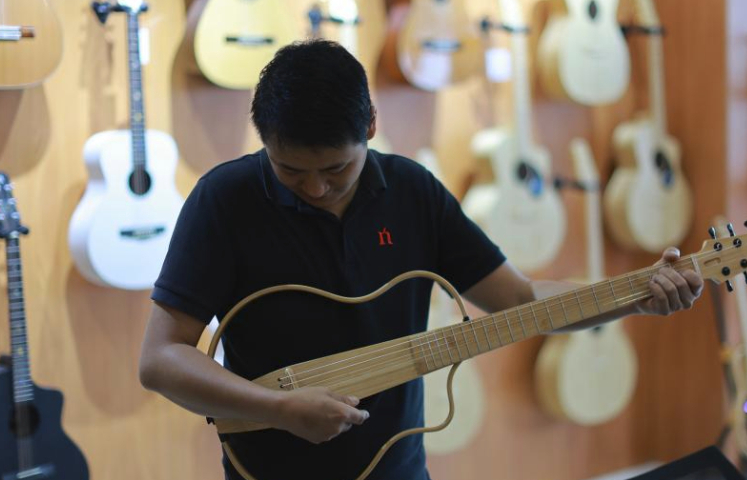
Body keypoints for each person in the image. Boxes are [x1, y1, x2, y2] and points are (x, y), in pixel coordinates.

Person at [138, 39, 703, 480]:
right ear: (263, 140)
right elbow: (162, 358)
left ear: (371, 128)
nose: (314, 188)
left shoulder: (412, 192)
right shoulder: (225, 199)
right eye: (291, 170)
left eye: (335, 169)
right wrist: (279, 408)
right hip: (265, 474)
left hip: (397, 472)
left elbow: (522, 300)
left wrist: (636, 298)